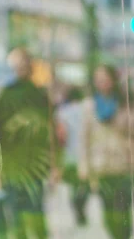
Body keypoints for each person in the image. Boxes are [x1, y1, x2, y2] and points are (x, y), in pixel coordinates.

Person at [0, 47, 53, 239]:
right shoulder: (5, 94)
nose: (22, 68)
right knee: (17, 213)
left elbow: (48, 131)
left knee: (36, 211)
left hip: (34, 163)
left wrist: (53, 165)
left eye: (25, 63)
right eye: (18, 64)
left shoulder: (40, 94)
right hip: (13, 164)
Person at [79, 64, 134, 239]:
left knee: (126, 213)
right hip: (102, 167)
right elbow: (84, 138)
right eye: (98, 79)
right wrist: (84, 166)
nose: (102, 82)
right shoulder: (90, 106)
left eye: (105, 78)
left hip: (126, 165)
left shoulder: (126, 102)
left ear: (113, 79)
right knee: (109, 213)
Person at [55, 85, 89, 226]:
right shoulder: (86, 110)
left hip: (69, 155)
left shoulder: (62, 113)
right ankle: (81, 204)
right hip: (85, 155)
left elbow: (61, 136)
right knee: (84, 183)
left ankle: (76, 204)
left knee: (73, 184)